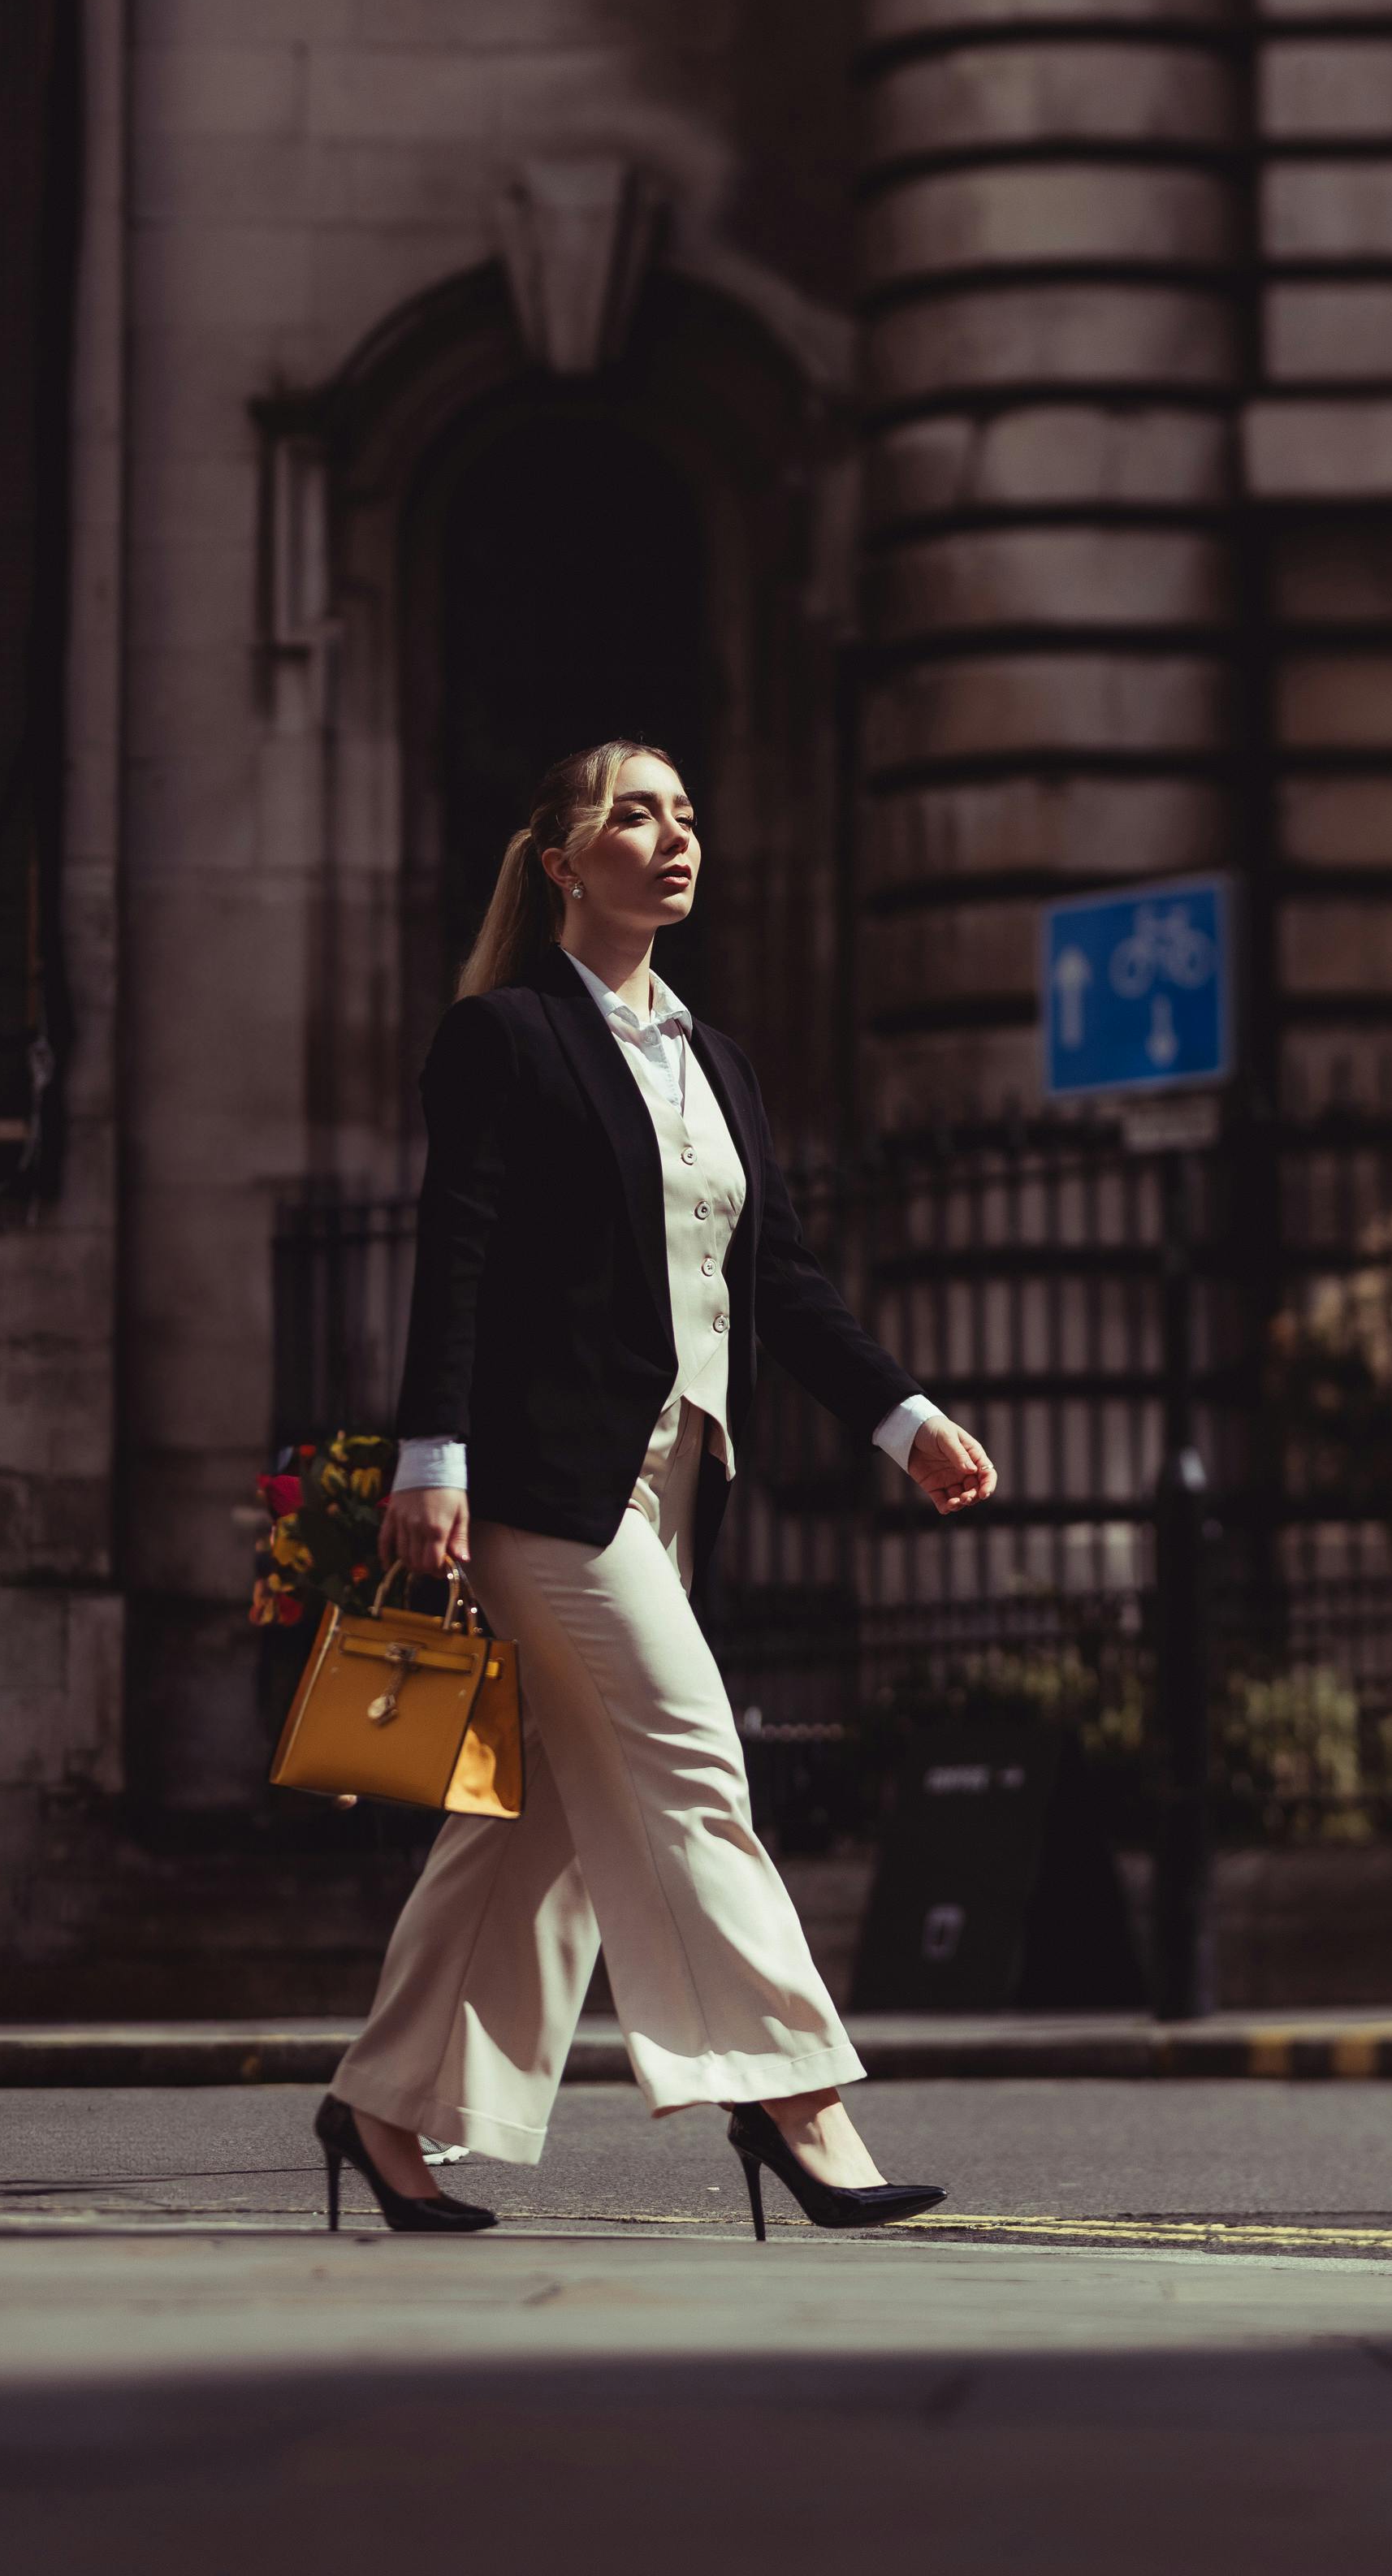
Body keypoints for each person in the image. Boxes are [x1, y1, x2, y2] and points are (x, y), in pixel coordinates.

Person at [316, 738, 998, 2238]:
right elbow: (460, 1260)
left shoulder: (716, 1063)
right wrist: (433, 1457)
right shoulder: (503, 1038)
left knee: (539, 1821)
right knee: (694, 1757)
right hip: (546, 1491)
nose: (674, 836)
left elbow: (785, 1285)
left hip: (676, 1481)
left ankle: (383, 2106)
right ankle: (794, 2103)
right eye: (636, 813)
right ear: (564, 860)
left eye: (688, 813)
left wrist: (906, 1417)